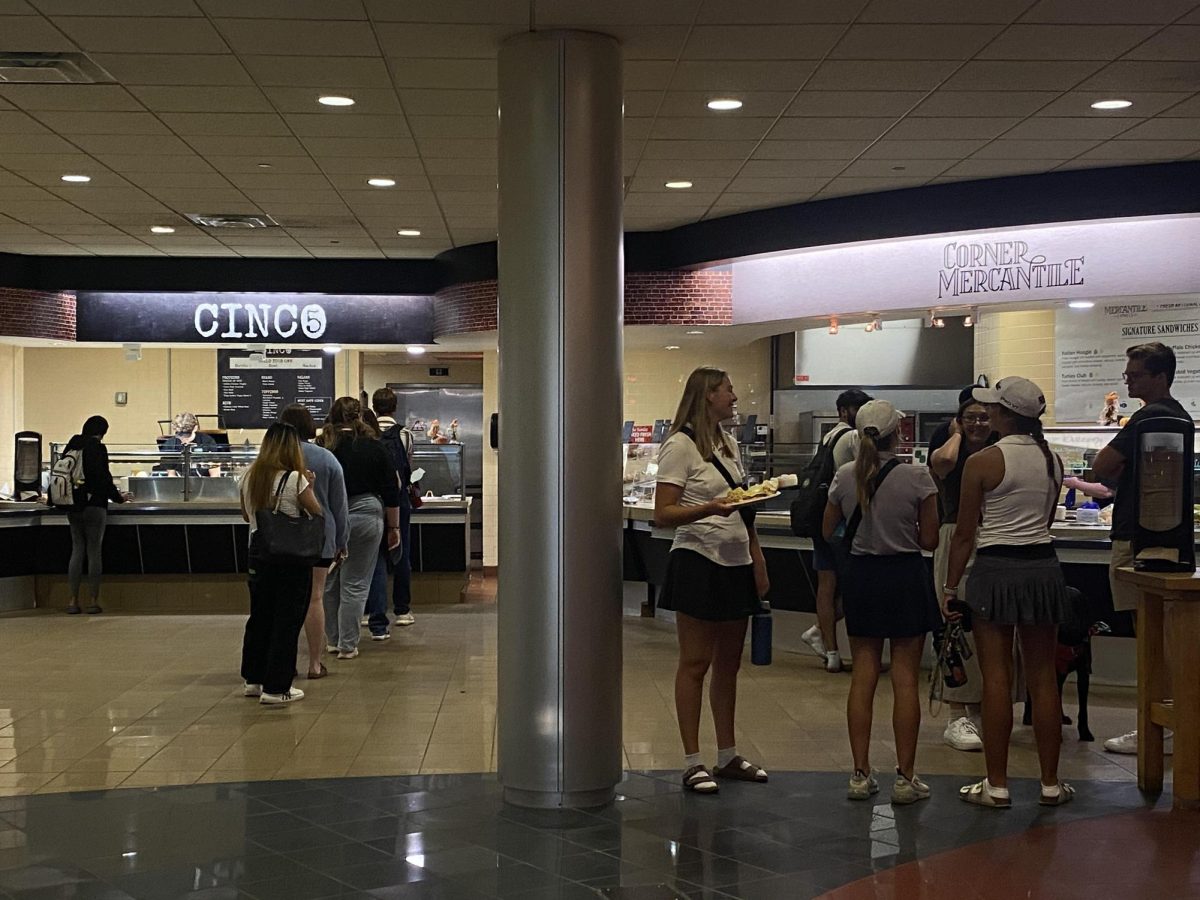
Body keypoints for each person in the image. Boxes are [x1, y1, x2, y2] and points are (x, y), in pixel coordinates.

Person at [943, 377, 1074, 808]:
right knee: (1042, 678)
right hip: (1043, 568)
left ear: (1004, 415)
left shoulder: (983, 462)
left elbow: (964, 534)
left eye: (993, 409)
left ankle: (996, 785)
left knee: (996, 677)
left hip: (996, 570)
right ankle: (1051, 784)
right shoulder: (1053, 460)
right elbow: (1048, 519)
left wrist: (949, 585)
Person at [654, 367, 770, 794]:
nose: (734, 395)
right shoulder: (680, 446)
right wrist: (709, 509)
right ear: (707, 396)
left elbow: (742, 508)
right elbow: (663, 513)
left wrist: (756, 558)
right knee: (695, 662)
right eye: (728, 389)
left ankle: (727, 754)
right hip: (698, 560)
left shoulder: (728, 443)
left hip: (735, 561)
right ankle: (691, 760)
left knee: (728, 665)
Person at [823, 400, 940, 805]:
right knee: (905, 677)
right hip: (906, 576)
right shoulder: (918, 476)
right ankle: (906, 778)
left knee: (864, 676)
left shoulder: (844, 475)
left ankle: (860, 773)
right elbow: (930, 540)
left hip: (862, 578)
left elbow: (827, 528)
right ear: (899, 433)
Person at [1091, 343, 1189, 756]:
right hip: (1168, 536)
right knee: (1160, 631)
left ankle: (1159, 723)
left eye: (1136, 373)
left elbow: (1101, 466)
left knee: (1149, 632)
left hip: (1136, 536)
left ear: (1160, 376)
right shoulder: (1179, 415)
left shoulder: (1149, 417)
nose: (1128, 379)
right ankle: (1165, 719)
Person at [238, 422, 322, 705]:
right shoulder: (295, 479)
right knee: (286, 620)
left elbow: (245, 516)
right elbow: (316, 511)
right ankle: (277, 687)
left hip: (257, 555)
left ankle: (253, 678)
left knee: (260, 616)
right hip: (290, 558)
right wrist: (311, 485)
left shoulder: (249, 476)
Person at [929, 395, 994, 752]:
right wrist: (955, 434)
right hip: (954, 533)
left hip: (992, 535)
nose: (979, 424)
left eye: (985, 417)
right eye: (971, 417)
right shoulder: (947, 439)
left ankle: (983, 707)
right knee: (954, 623)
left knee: (988, 626)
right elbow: (943, 465)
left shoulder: (998, 447)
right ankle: (957, 713)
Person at [321, 397, 401, 659]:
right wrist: (394, 527)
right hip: (366, 512)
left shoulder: (324, 447)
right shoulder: (373, 447)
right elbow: (392, 490)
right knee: (355, 582)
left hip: (330, 515)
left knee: (330, 582)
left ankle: (332, 640)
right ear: (361, 417)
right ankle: (348, 644)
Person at [801, 388, 872, 673]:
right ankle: (860, 652)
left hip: (822, 521)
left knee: (826, 587)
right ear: (844, 411)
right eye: (859, 409)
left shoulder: (829, 436)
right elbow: (863, 478)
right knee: (858, 587)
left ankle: (831, 651)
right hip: (845, 524)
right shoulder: (854, 438)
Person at [278, 404, 349, 680]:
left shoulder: (274, 456)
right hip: (319, 536)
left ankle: (286, 662)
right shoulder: (326, 458)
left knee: (287, 600)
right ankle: (315, 664)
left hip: (281, 538)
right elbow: (338, 505)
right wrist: (342, 540)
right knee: (315, 598)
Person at [61, 415, 132, 615]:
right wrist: (119, 498)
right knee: (94, 551)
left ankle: (72, 601)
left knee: (76, 550)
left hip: (73, 505)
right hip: (94, 506)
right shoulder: (97, 448)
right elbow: (103, 478)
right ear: (102, 432)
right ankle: (93, 600)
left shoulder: (72, 446)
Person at [366, 387, 417, 639]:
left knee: (374, 557)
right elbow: (409, 465)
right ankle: (402, 610)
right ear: (395, 407)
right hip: (399, 500)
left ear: (374, 407)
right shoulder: (405, 434)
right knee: (401, 553)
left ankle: (372, 610)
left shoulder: (368, 434)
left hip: (372, 501)